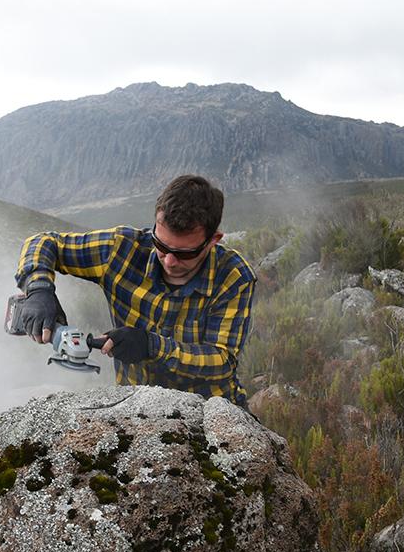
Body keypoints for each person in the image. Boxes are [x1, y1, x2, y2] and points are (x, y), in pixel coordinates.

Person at [13, 174, 256, 406]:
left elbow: (222, 362)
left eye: (185, 253)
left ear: (214, 240)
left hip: (209, 411)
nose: (169, 261)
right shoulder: (121, 249)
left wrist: (152, 346)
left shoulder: (233, 276)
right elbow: (42, 242)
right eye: (161, 245)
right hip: (133, 405)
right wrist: (39, 288)